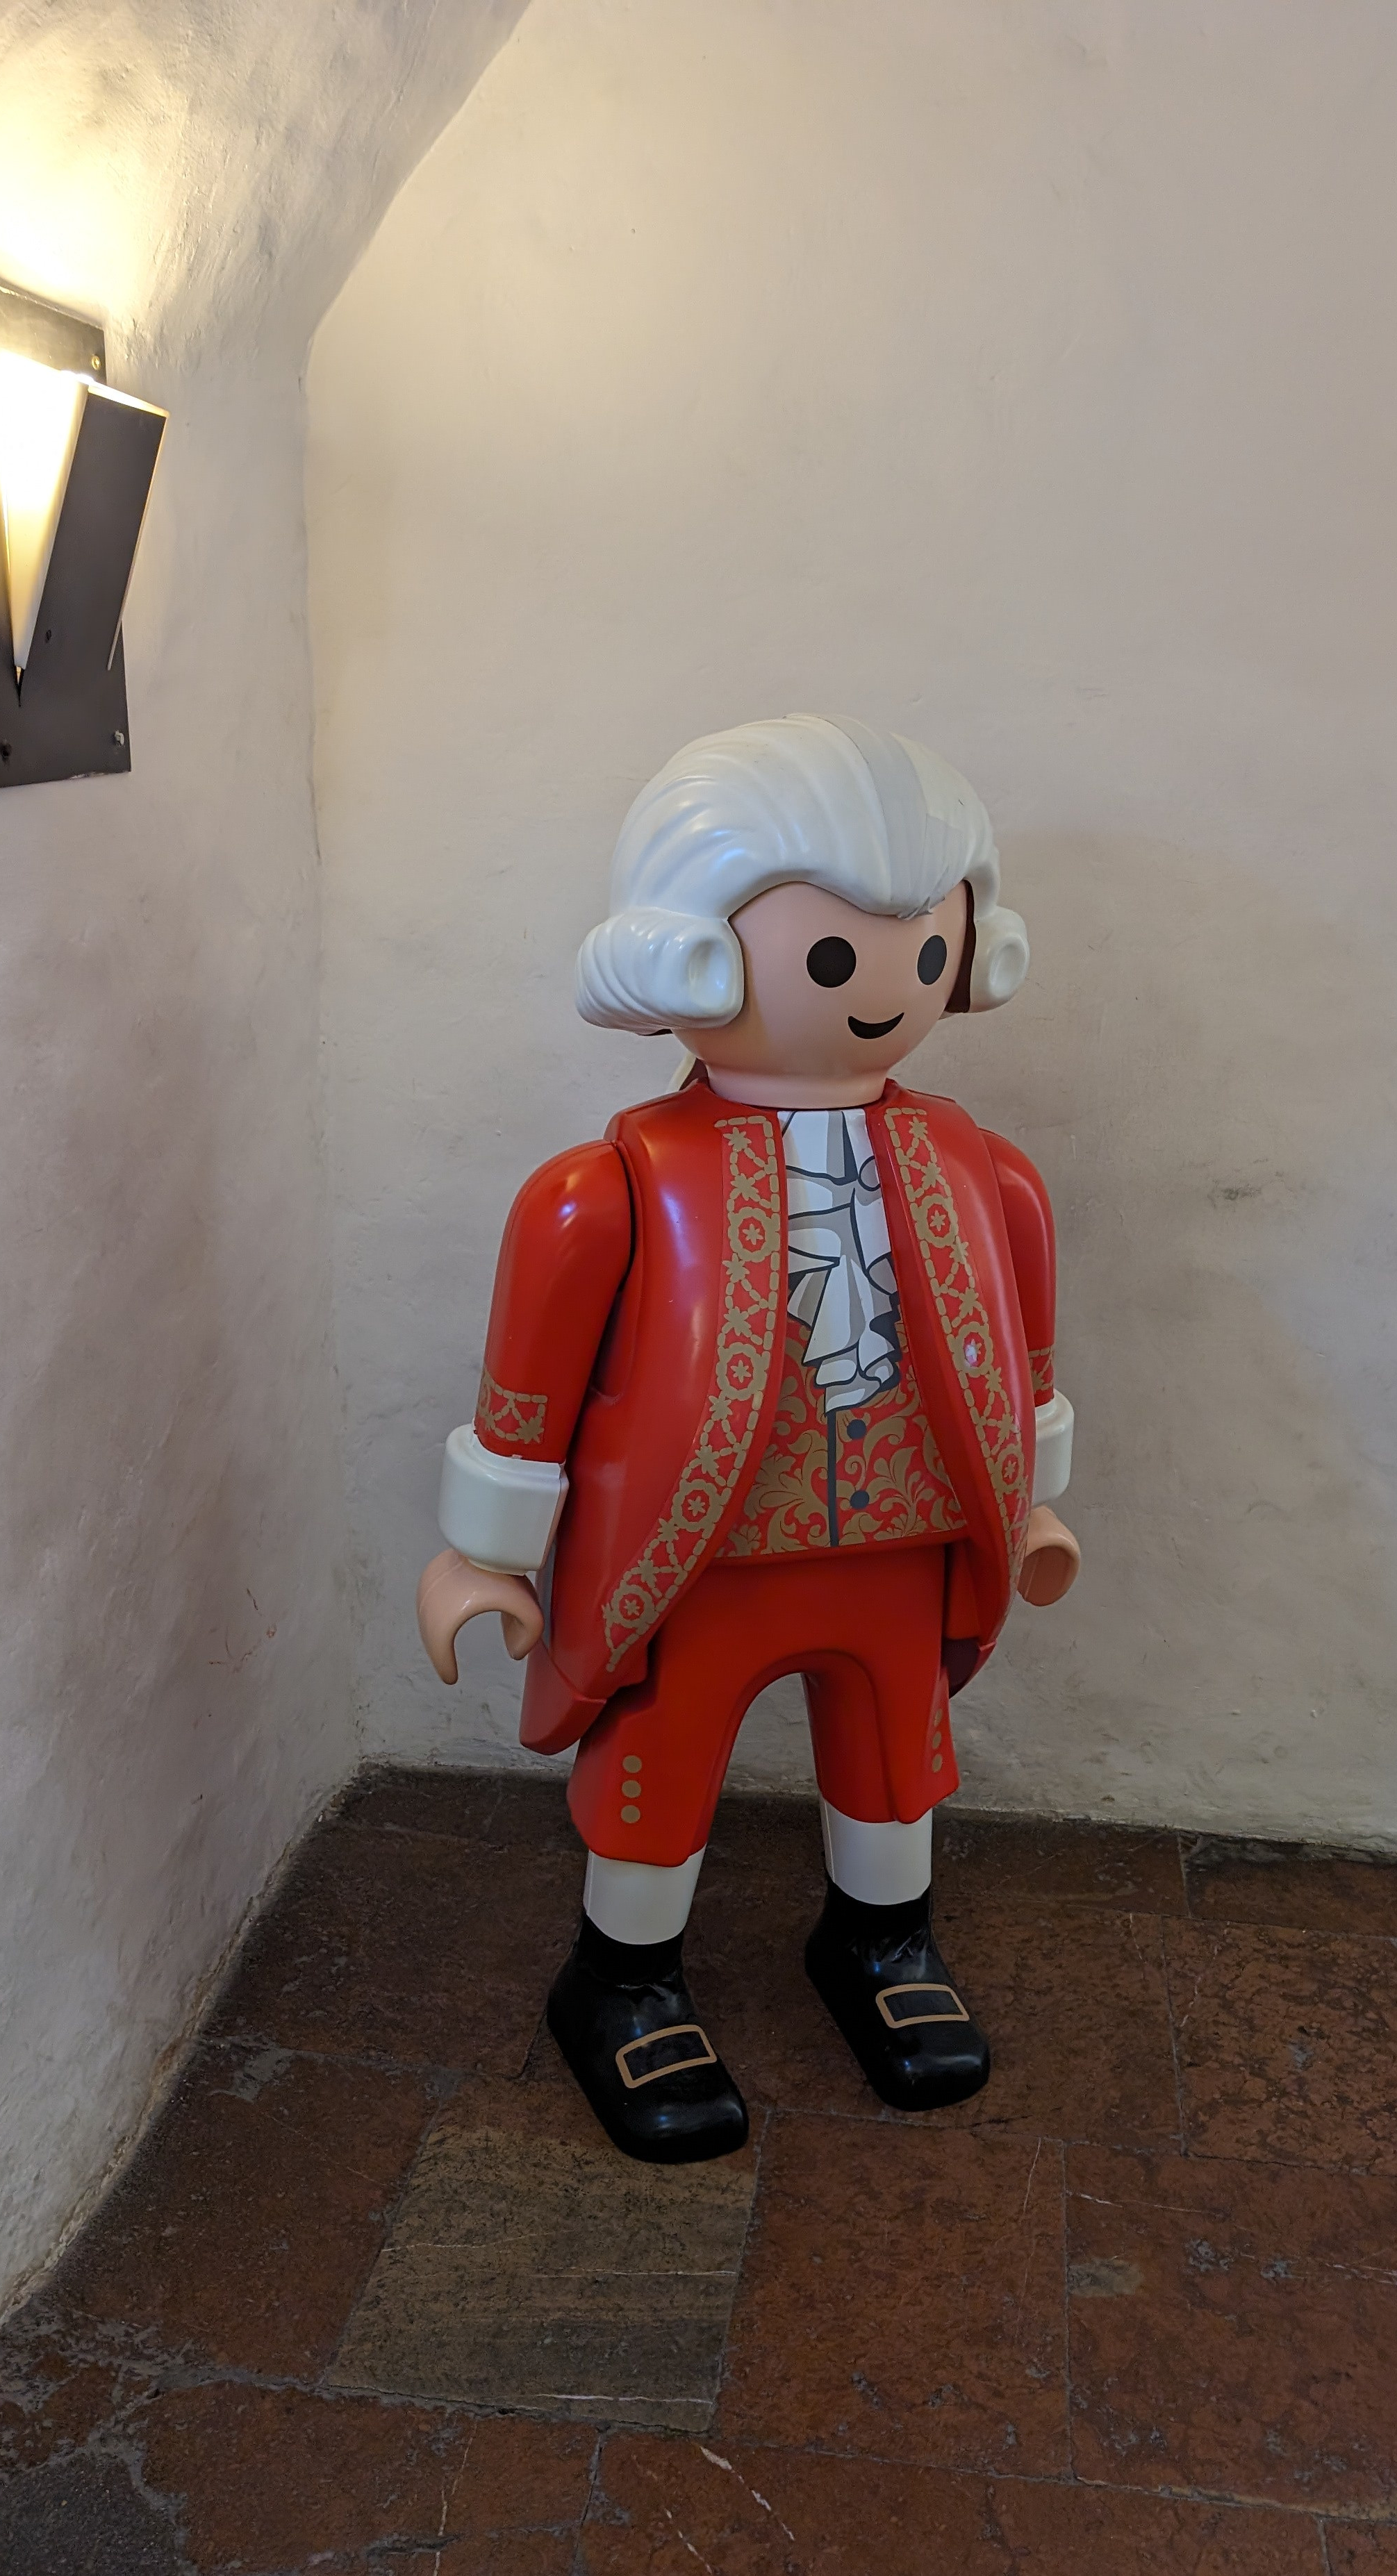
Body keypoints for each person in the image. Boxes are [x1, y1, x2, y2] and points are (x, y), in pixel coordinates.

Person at [417, 713, 1077, 2161]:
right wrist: (486, 1552)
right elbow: (527, 1393)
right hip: (696, 1553)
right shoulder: (609, 1189)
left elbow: (1021, 1369)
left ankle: (882, 1940)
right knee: (663, 1761)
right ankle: (623, 1977)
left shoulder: (985, 1176)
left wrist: (1034, 1498)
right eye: (834, 956)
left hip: (904, 1539)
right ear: (690, 954)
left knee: (895, 1750)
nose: (882, 989)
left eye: (922, 949)